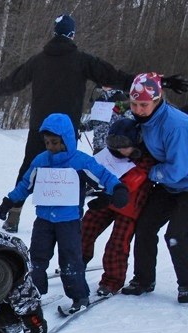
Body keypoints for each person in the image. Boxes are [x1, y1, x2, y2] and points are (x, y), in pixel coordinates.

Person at [0, 13, 188, 233]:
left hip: (41, 129)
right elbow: (118, 77)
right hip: (66, 131)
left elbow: (11, 83)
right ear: (72, 35)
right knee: (71, 172)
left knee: (30, 167)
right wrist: (161, 81)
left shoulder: (37, 61)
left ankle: (13, 215)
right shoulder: (83, 60)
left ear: (54, 33)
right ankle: (68, 223)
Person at [0, 112, 128, 313]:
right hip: (44, 221)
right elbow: (26, 184)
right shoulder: (41, 161)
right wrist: (9, 201)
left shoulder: (80, 161)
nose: (51, 147)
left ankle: (79, 296)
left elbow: (102, 175)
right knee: (37, 258)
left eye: (56, 142)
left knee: (70, 259)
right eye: (48, 143)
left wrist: (117, 189)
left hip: (69, 222)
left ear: (67, 140)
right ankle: (34, 293)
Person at [121, 73, 188, 303]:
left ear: (157, 101)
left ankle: (187, 285)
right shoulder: (146, 120)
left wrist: (148, 172)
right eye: (134, 104)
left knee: (176, 236)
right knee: (145, 225)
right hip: (170, 185)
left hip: (182, 181)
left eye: (144, 105)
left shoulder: (176, 125)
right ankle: (143, 279)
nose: (138, 109)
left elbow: (178, 169)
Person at [81, 118, 156, 295]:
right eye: (113, 145)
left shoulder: (144, 159)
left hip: (129, 206)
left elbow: (131, 182)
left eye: (122, 146)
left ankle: (112, 280)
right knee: (86, 227)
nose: (118, 151)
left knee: (117, 243)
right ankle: (78, 262)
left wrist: (109, 192)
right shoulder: (110, 154)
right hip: (107, 199)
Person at [80, 87, 130, 154]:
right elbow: (94, 122)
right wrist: (84, 126)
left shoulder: (121, 98)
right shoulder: (99, 99)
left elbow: (130, 120)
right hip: (98, 148)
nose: (105, 84)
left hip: (116, 148)